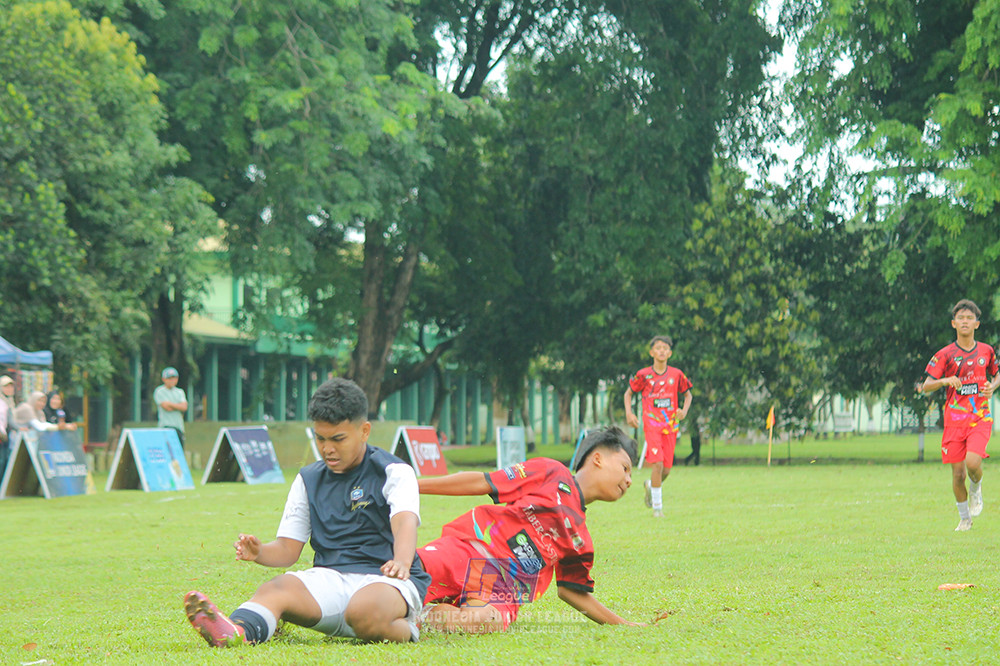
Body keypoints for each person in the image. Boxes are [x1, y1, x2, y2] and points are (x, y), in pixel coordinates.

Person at [184, 377, 430, 646]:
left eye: (338, 439)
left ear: (365, 431)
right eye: (320, 438)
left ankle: (410, 626)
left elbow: (404, 522)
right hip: (330, 581)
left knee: (364, 612)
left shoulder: (393, 471)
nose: (327, 449)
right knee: (275, 588)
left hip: (388, 580)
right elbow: (288, 550)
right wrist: (260, 552)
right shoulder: (308, 479)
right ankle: (237, 633)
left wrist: (402, 561)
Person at [417, 426, 643, 633]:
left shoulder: (580, 541)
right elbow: (483, 482)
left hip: (500, 592)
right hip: (470, 550)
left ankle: (415, 617)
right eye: (625, 469)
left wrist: (624, 624)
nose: (629, 480)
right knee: (407, 569)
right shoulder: (551, 472)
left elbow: (571, 591)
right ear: (598, 459)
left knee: (482, 621)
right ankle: (401, 604)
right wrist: (414, 485)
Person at [919, 299, 1000, 531]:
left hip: (979, 418)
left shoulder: (987, 351)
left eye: (969, 318)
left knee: (973, 462)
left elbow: (997, 374)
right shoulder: (945, 354)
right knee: (957, 475)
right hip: (954, 421)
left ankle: (977, 487)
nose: (965, 322)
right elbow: (926, 385)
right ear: (953, 323)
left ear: (977, 323)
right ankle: (965, 518)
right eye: (961, 318)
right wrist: (945, 380)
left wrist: (993, 386)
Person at [624, 335, 692, 517]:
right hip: (652, 424)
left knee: (667, 469)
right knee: (658, 464)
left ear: (669, 353)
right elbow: (628, 394)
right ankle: (657, 508)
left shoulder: (677, 375)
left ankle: (650, 485)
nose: (661, 351)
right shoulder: (643, 375)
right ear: (651, 352)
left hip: (671, 425)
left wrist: (683, 411)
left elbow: (688, 395)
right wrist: (629, 413)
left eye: (665, 348)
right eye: (658, 348)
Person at [153, 367, 187, 449]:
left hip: (178, 427)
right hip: (165, 427)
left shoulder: (180, 392)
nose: (172, 381)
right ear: (164, 379)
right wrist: (178, 406)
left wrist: (171, 404)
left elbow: (184, 407)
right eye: (169, 378)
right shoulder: (160, 391)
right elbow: (166, 407)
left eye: (174, 378)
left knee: (179, 453)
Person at [0, 375, 16, 472]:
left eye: (11, 386)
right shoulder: (2, 402)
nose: (9, 389)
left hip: (6, 437)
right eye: (6, 386)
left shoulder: (10, 401)